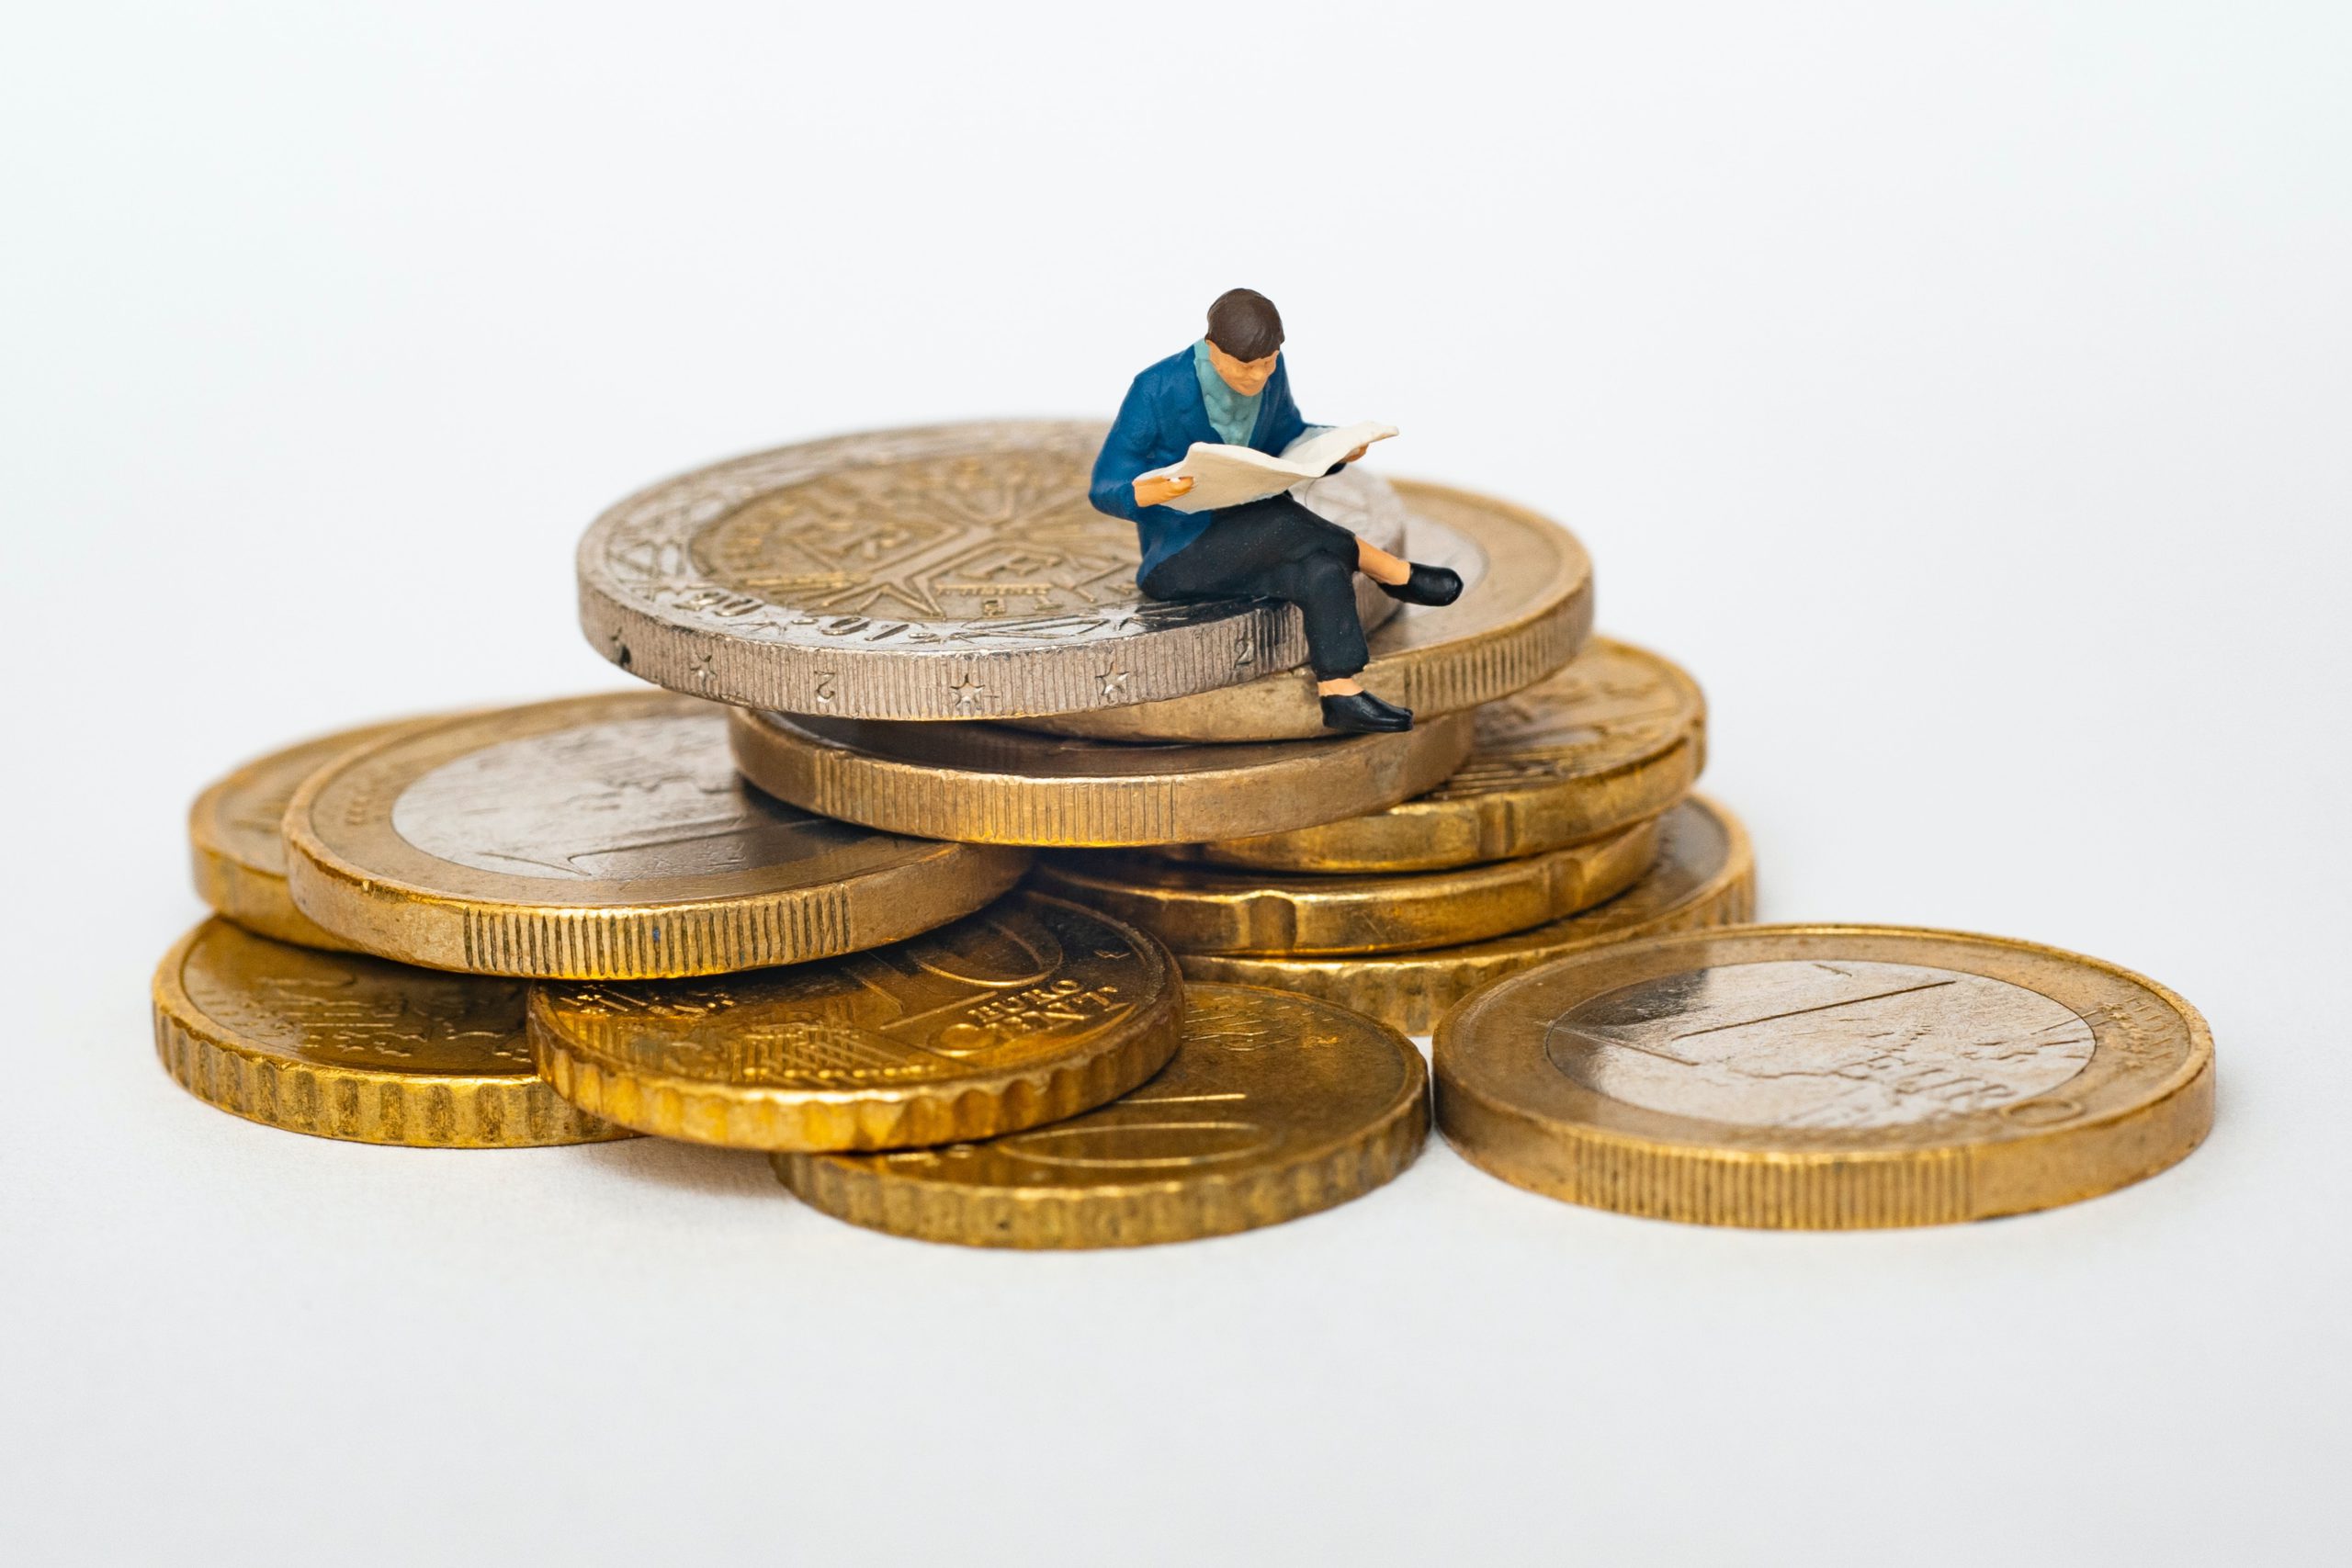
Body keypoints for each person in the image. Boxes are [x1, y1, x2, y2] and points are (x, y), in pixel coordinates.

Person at [1088, 288, 1462, 733]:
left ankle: (1340, 692)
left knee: (1321, 567)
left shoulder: (1271, 370)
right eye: (1246, 366)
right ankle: (1393, 573)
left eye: (1269, 362)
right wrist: (1149, 493)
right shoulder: (1157, 387)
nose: (1259, 376)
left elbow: (1289, 434)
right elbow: (1105, 483)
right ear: (1212, 349)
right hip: (1181, 555)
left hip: (1259, 536)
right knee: (1281, 522)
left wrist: (1336, 448)